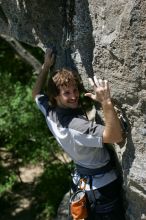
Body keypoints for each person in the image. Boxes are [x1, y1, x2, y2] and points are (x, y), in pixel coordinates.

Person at [32, 48, 126, 220]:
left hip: (80, 182)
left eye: (75, 90)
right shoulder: (77, 127)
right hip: (102, 189)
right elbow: (115, 136)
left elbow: (36, 94)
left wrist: (46, 67)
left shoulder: (50, 112)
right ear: (56, 96)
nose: (74, 96)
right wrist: (106, 101)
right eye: (67, 93)